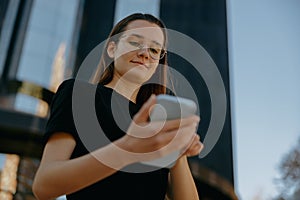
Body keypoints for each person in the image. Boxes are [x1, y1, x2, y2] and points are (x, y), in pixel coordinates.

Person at [32, 13, 204, 200]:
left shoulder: (158, 120)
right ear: (112, 49)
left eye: (155, 50)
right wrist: (127, 150)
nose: (145, 53)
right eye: (135, 43)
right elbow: (44, 185)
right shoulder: (79, 95)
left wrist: (177, 153)